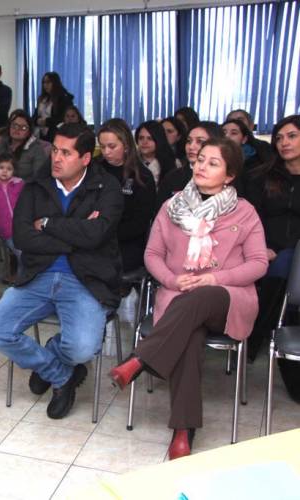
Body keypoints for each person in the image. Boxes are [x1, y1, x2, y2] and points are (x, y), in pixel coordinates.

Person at [109, 137, 268, 460]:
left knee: (201, 297)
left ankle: (141, 359)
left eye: (213, 163)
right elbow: (152, 254)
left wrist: (214, 278)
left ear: (230, 175)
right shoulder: (172, 207)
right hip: (177, 296)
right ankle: (183, 431)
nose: (201, 166)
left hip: (228, 298)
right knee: (188, 332)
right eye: (199, 160)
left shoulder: (245, 212)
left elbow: (258, 264)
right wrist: (170, 278)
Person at [0, 123, 124, 420]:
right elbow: (21, 236)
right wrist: (80, 235)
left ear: (85, 158)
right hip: (39, 274)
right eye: (55, 150)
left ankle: (54, 355)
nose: (56, 158)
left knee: (83, 348)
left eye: (66, 153)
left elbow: (97, 235)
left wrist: (47, 224)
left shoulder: (106, 186)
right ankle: (60, 375)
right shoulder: (36, 185)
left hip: (86, 278)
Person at [245, 115, 300, 362]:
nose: (283, 143)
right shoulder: (262, 176)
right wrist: (263, 247)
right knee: (279, 267)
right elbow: (251, 218)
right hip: (264, 247)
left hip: (295, 252)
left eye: (292, 136)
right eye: (279, 138)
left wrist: (285, 249)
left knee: (286, 264)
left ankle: (256, 339)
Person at [98, 120, 156, 272]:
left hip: (126, 242)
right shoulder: (95, 170)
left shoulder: (142, 176)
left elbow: (141, 222)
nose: (106, 152)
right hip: (94, 235)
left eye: (112, 146)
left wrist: (107, 235)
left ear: (126, 146)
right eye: (102, 147)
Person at [157, 122, 224, 210]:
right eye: (189, 141)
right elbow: (159, 214)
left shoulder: (225, 176)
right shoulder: (173, 177)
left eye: (200, 141)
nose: (191, 147)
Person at [0, 110, 50, 181]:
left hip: (25, 189)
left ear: (29, 132)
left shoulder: (37, 149)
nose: (17, 129)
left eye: (23, 128)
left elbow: (40, 178)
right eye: (14, 125)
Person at [222, 118, 270, 187]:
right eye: (223, 133)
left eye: (234, 133)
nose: (227, 136)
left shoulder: (255, 163)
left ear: (244, 139)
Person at [32, 72, 74, 141]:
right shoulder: (42, 98)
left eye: (48, 82)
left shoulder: (64, 99)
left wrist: (46, 121)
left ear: (55, 83)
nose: (45, 85)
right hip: (40, 134)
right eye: (44, 82)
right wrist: (36, 120)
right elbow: (35, 115)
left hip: (56, 134)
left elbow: (63, 118)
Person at [135, 120, 177, 186]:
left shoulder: (170, 163)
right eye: (141, 138)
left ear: (158, 140)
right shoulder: (130, 161)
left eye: (150, 138)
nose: (144, 142)